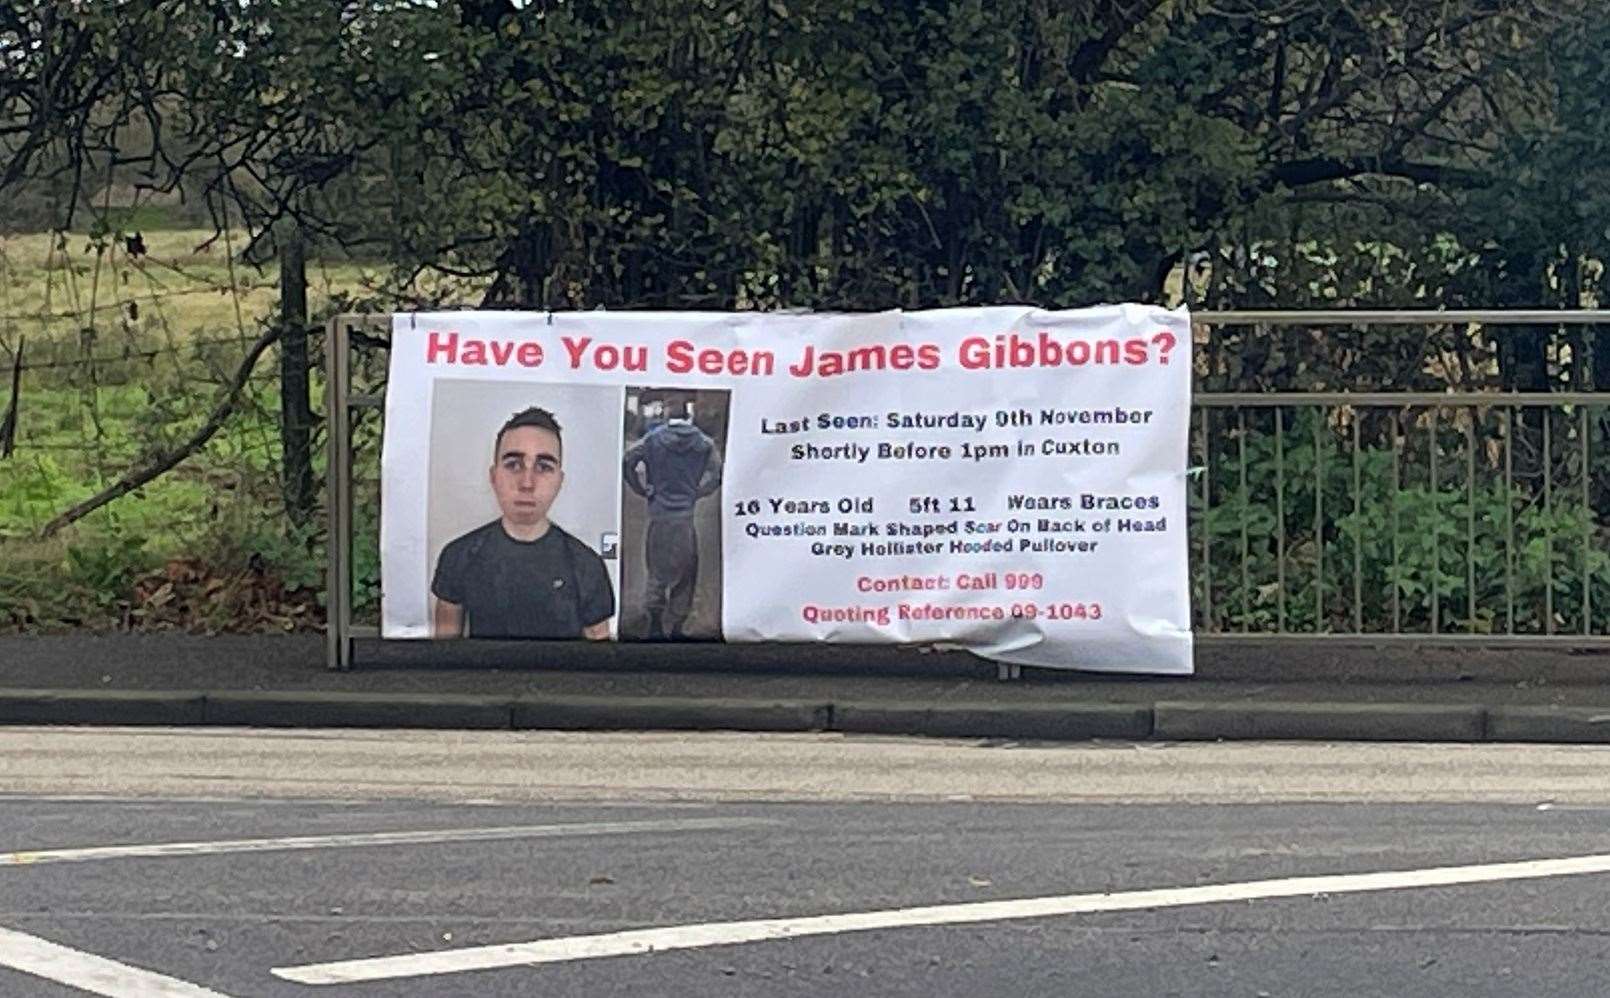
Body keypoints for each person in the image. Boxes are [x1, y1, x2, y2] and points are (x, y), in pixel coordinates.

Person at [432, 406, 615, 639]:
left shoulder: (586, 565)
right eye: (514, 465)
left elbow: (599, 664)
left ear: (560, 481)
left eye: (543, 467)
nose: (527, 483)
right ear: (493, 476)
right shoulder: (458, 556)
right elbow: (444, 656)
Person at [622, 393, 722, 639]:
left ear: (667, 413)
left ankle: (655, 622)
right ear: (687, 414)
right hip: (685, 515)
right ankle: (677, 625)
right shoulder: (704, 444)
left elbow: (629, 461)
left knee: (656, 571)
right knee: (686, 575)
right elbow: (717, 474)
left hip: (659, 514)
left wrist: (641, 488)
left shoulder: (653, 440)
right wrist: (698, 492)